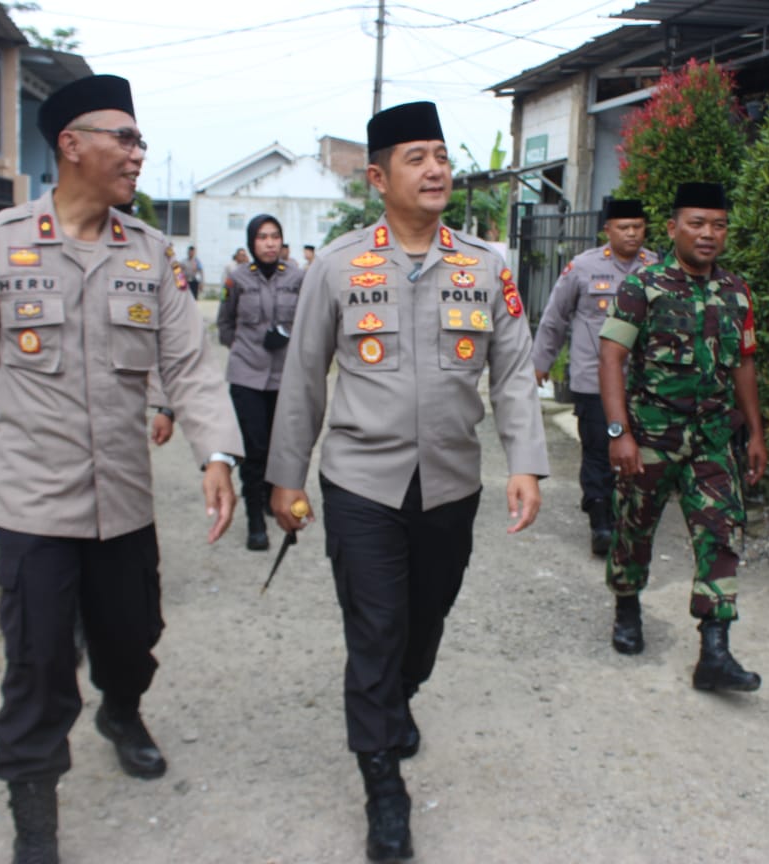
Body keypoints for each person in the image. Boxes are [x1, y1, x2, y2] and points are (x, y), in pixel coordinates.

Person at [0, 74, 243, 864]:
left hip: (123, 503)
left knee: (134, 639)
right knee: (38, 666)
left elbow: (190, 365)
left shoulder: (150, 254)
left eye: (137, 139)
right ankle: (35, 819)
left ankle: (120, 709)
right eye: (123, 138)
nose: (137, 152)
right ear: (71, 145)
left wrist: (218, 450)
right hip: (33, 505)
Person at [265, 101, 548, 862]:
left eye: (441, 156)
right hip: (361, 484)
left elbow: (515, 373)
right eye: (416, 158)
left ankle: (398, 697)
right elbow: (303, 382)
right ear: (379, 175)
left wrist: (525, 461)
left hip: (451, 484)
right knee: (377, 629)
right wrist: (283, 480)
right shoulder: (338, 266)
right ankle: (383, 784)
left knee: (424, 628)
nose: (435, 170)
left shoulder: (484, 267)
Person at [598, 181, 767, 691]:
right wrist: (618, 433)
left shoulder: (736, 291)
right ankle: (627, 607)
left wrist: (756, 432)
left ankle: (714, 651)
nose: (708, 234)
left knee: (721, 533)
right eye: (696, 223)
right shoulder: (643, 286)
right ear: (673, 229)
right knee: (634, 530)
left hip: (713, 440)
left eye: (717, 225)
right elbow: (611, 357)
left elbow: (743, 364)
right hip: (650, 437)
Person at [532, 199, 656, 556]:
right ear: (608, 230)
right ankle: (600, 520)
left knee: (640, 452)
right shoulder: (583, 267)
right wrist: (541, 362)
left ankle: (629, 517)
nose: (631, 233)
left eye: (638, 226)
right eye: (623, 226)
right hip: (594, 381)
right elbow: (556, 316)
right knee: (599, 452)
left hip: (643, 385)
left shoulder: (658, 267)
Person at [217, 214, 304, 550]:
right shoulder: (236, 278)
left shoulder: (297, 277)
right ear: (251, 242)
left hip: (285, 377)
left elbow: (308, 320)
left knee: (278, 446)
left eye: (275, 236)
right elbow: (225, 324)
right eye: (262, 237)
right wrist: (245, 350)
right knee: (253, 450)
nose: (269, 243)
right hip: (247, 377)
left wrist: (287, 337)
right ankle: (255, 520)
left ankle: (271, 497)